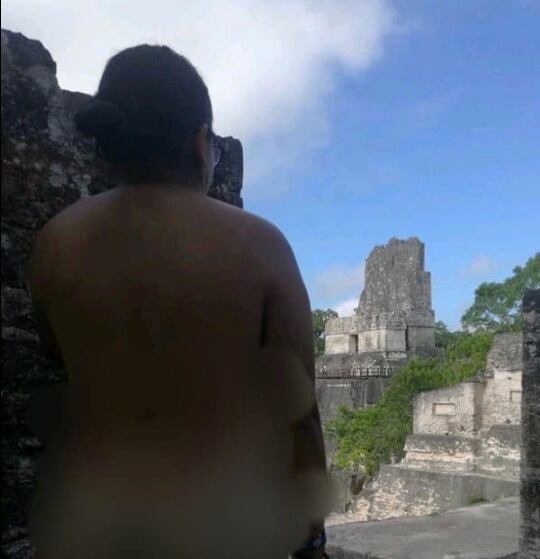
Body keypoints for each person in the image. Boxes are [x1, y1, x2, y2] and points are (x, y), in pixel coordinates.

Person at [26, 44, 331, 559]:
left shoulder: (55, 243)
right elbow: (299, 416)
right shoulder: (260, 246)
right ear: (199, 142)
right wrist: (312, 537)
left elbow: (56, 355)